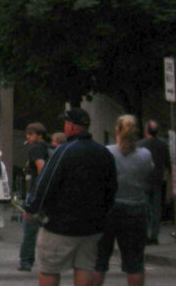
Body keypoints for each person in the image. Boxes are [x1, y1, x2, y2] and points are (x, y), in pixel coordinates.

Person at [22, 107, 117, 286]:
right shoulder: (104, 153)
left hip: (61, 224)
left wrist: (32, 209)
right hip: (91, 225)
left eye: (66, 123)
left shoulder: (64, 150)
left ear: (72, 127)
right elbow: (111, 189)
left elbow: (46, 183)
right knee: (84, 267)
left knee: (50, 269)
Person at [93, 115, 154, 286]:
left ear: (116, 131)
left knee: (99, 261)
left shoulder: (107, 152)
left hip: (109, 209)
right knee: (135, 263)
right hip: (136, 209)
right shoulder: (145, 155)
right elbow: (149, 176)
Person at [19, 123, 49, 272]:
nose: (28, 137)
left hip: (35, 193)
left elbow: (41, 167)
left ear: (39, 135)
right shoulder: (49, 149)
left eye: (31, 134)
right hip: (49, 194)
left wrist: (36, 192)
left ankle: (26, 260)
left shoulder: (35, 149)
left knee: (29, 229)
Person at [137, 119, 168, 245]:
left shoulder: (140, 144)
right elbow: (166, 161)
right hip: (158, 179)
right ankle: (154, 235)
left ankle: (144, 234)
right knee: (156, 210)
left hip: (144, 179)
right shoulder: (163, 144)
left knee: (145, 209)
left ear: (146, 131)